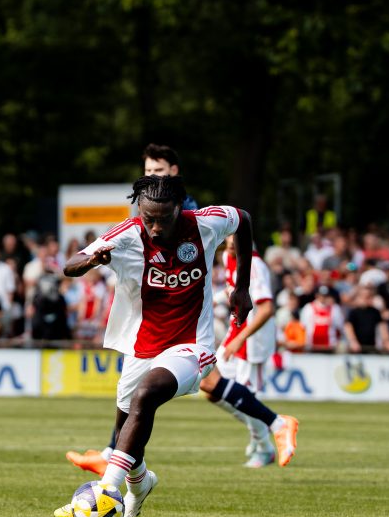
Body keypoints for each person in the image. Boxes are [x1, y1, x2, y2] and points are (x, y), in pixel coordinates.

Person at [64, 146, 297, 473]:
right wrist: (94, 259)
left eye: (157, 171)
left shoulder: (190, 215)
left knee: (198, 386)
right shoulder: (137, 224)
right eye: (147, 172)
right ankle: (270, 431)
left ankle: (273, 429)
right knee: (152, 392)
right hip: (154, 326)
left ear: (173, 173)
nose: (151, 177)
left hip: (190, 324)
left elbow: (236, 222)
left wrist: (240, 287)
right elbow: (73, 264)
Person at [54, 175, 254, 517]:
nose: (156, 226)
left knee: (147, 394)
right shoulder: (126, 235)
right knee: (126, 429)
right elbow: (71, 263)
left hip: (193, 344)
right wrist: (87, 264)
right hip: (141, 347)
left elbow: (244, 219)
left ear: (181, 208)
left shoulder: (205, 223)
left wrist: (241, 288)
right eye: (149, 218)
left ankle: (106, 491)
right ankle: (140, 483)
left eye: (164, 218)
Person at [199, 235, 299, 468]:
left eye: (237, 239)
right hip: (236, 331)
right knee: (210, 387)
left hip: (253, 340)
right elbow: (232, 291)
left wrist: (240, 339)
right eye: (229, 239)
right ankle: (263, 434)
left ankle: (264, 447)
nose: (231, 244)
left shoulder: (256, 266)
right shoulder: (227, 256)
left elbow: (266, 310)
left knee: (242, 395)